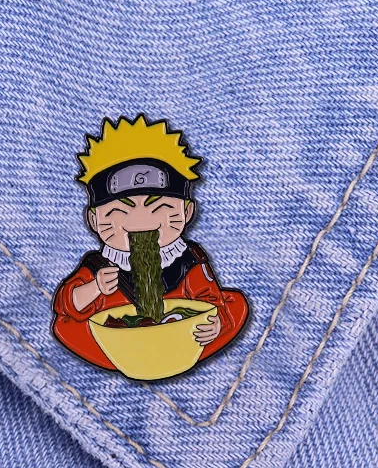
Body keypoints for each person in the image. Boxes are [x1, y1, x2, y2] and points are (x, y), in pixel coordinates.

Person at [53, 114, 249, 373]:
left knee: (235, 305)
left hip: (182, 337)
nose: (140, 220)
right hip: (118, 343)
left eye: (160, 207)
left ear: (187, 212)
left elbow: (210, 300)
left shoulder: (188, 259)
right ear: (93, 219)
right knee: (67, 324)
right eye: (119, 211)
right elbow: (67, 304)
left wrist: (217, 324)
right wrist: (96, 287)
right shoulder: (98, 265)